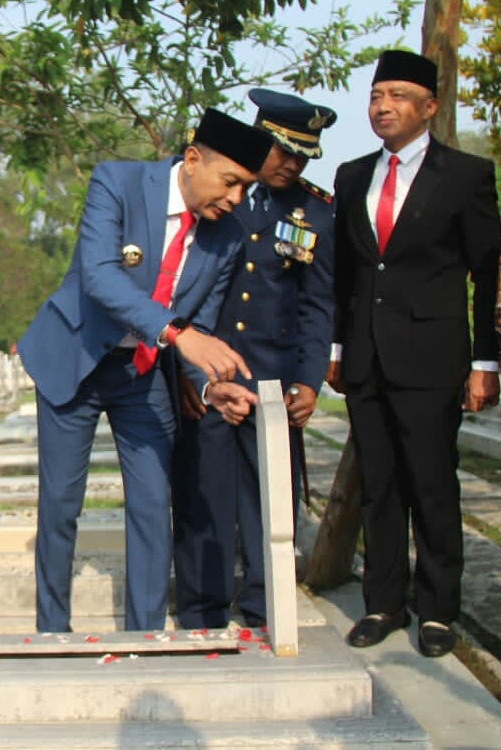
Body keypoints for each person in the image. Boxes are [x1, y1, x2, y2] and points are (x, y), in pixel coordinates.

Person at [18, 109, 275, 633]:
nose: (234, 199)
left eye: (245, 189)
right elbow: (100, 277)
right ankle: (52, 631)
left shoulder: (227, 236)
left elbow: (199, 322)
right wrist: (180, 336)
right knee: (62, 506)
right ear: (193, 159)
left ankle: (147, 635)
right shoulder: (118, 181)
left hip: (142, 374)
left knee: (154, 506)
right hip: (77, 359)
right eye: (229, 183)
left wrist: (210, 384)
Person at [328, 50, 501, 658]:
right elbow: (345, 272)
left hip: (433, 356)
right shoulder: (351, 176)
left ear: (429, 108)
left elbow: (487, 271)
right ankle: (383, 602)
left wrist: (486, 362)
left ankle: (437, 610)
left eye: (399, 96)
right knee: (379, 485)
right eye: (377, 94)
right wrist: (337, 346)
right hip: (367, 356)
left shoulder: (466, 176)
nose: (384, 106)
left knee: (431, 484)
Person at [172, 90, 337, 629]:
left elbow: (317, 305)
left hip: (274, 379)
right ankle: (202, 609)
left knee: (271, 501)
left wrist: (310, 382)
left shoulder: (316, 212)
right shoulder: (219, 195)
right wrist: (190, 374)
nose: (291, 164)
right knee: (205, 497)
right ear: (260, 137)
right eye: (282, 150)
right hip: (211, 377)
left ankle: (266, 607)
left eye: (302, 155)